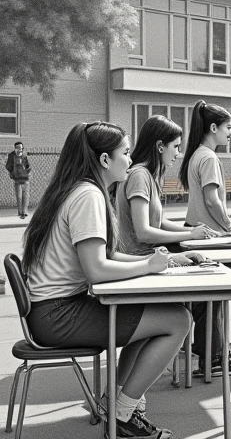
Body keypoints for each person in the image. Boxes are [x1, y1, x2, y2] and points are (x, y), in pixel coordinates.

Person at [22, 122, 191, 438]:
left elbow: (109, 257)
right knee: (178, 319)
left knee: (153, 317)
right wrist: (149, 266)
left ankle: (112, 401)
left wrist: (161, 262)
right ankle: (124, 415)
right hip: (58, 315)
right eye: (125, 153)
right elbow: (97, 270)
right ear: (104, 160)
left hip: (52, 310)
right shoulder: (88, 195)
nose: (130, 160)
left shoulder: (80, 189)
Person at [115, 114, 231, 377]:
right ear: (160, 145)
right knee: (211, 287)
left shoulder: (146, 175)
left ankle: (207, 351)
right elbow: (143, 232)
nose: (178, 153)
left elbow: (159, 221)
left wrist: (191, 233)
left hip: (151, 256)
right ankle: (213, 357)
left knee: (206, 272)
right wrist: (183, 241)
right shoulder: (140, 175)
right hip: (145, 260)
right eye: (175, 146)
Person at [179, 101, 231, 235]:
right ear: (214, 128)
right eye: (228, 127)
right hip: (207, 233)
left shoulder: (197, 154)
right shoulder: (209, 158)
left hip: (195, 228)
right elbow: (211, 200)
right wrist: (229, 227)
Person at [6, 141, 30, 219]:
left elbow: (27, 166)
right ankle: (20, 211)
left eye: (21, 147)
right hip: (17, 178)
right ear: (15, 148)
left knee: (25, 195)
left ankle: (24, 211)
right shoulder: (11, 155)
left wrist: (27, 172)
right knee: (19, 195)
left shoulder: (24, 155)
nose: (20, 149)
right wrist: (12, 172)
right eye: (19, 147)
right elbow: (8, 166)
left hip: (25, 177)